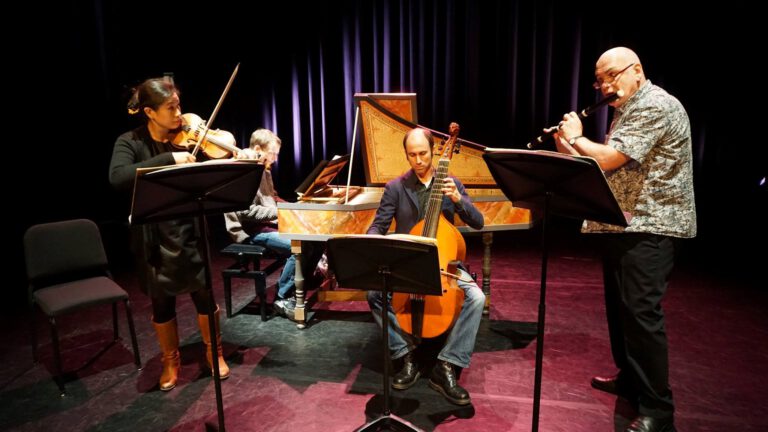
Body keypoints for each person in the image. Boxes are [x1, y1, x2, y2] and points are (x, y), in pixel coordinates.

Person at [553, 47, 696, 432]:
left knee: (641, 316)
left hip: (653, 226)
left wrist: (579, 138)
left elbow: (610, 159)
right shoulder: (626, 108)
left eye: (612, 76)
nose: (606, 86)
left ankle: (658, 410)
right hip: (624, 225)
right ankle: (632, 381)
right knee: (621, 313)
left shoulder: (656, 105)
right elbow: (595, 161)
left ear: (637, 70)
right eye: (600, 80)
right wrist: (566, 143)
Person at [109, 77, 230, 391]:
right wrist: (168, 159)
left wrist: (234, 153)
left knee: (204, 295)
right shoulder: (130, 142)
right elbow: (118, 177)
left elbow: (219, 163)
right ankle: (170, 360)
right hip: (152, 236)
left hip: (190, 229)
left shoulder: (189, 138)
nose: (179, 114)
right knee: (162, 303)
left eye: (179, 106)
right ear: (150, 112)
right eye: (170, 108)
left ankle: (213, 353)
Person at [366, 128, 485, 406]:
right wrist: (373, 243)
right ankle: (405, 354)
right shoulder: (396, 187)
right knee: (373, 295)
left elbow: (478, 222)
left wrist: (458, 199)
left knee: (477, 297)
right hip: (408, 263)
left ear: (433, 151)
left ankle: (447, 365)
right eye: (412, 155)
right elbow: (379, 225)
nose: (418, 160)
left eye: (423, 153)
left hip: (445, 265)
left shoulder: (450, 182)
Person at [224, 129, 323, 320]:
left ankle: (298, 285)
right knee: (300, 246)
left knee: (316, 240)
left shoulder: (264, 170)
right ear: (258, 149)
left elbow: (272, 197)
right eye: (273, 153)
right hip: (250, 232)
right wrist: (281, 213)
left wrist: (294, 206)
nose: (275, 159)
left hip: (268, 225)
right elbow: (247, 212)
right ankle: (282, 297)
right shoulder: (243, 171)